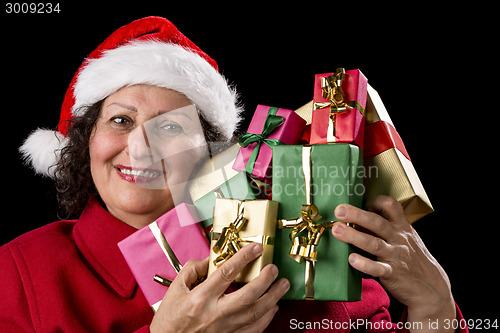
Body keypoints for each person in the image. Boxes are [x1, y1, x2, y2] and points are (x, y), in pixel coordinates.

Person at [0, 16, 467, 332]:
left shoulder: (318, 241)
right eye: (120, 120)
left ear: (211, 153)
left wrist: (436, 310)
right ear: (85, 142)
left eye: (170, 126)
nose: (140, 147)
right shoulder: (21, 273)